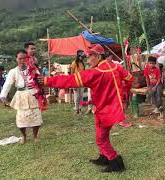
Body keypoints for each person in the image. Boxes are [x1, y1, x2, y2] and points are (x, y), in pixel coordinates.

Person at [41, 44, 133, 172]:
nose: (88, 60)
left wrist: (46, 81)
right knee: (101, 135)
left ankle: (115, 162)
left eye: (90, 57)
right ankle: (103, 157)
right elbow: (130, 78)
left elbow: (69, 80)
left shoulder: (94, 73)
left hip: (104, 111)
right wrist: (123, 93)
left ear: (98, 56)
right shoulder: (116, 67)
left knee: (101, 139)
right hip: (112, 108)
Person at [0, 50, 43, 144]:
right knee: (21, 119)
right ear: (16, 59)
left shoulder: (33, 68)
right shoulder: (13, 71)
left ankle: (35, 136)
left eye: (25, 58)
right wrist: (3, 97)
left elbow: (40, 81)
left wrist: (40, 81)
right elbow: (7, 85)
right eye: (20, 58)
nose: (22, 60)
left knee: (36, 118)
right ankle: (23, 136)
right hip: (20, 96)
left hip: (33, 94)